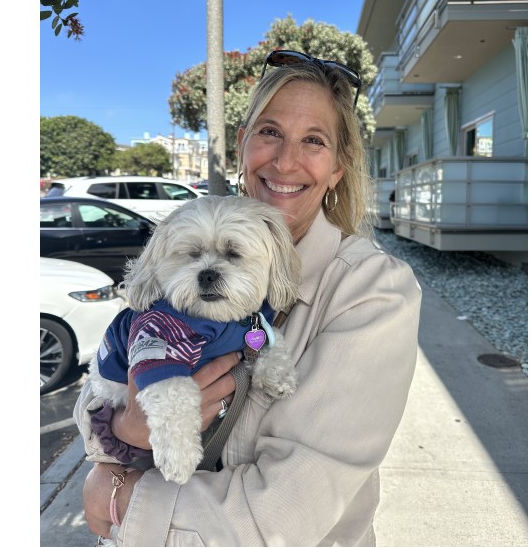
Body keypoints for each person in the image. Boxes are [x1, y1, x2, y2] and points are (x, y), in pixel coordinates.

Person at [73, 52, 422, 546]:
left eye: (314, 141)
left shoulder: (373, 292)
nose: (284, 161)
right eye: (270, 132)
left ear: (338, 169)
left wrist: (120, 498)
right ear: (242, 144)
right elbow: (94, 405)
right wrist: (127, 431)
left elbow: (291, 506)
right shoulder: (182, 244)